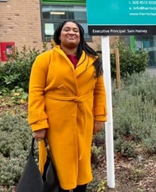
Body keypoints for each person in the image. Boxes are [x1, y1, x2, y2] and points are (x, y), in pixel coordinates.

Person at [28, 21, 107, 192]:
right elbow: (35, 93)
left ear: (81, 35)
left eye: (76, 30)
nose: (71, 32)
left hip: (83, 120)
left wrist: (99, 117)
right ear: (59, 34)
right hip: (55, 124)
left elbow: (99, 91)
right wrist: (38, 123)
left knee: (82, 165)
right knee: (57, 166)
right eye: (67, 29)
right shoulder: (44, 60)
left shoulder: (92, 60)